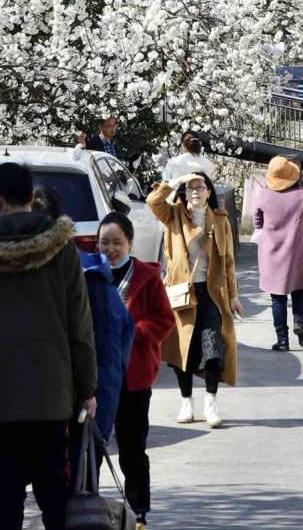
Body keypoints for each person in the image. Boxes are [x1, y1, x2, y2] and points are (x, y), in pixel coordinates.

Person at [0, 163, 97, 530]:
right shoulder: (62, 248)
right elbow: (79, 324)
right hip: (51, 395)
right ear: (31, 197)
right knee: (54, 492)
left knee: (2, 496)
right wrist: (87, 388)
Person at [31, 187, 135, 448]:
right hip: (23, 410)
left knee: (70, 481)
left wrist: (98, 415)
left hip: (70, 409)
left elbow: (109, 351)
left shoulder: (87, 275)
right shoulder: (2, 270)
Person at [97, 211, 175, 529]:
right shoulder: (89, 274)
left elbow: (164, 319)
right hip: (96, 377)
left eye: (117, 242)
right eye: (105, 242)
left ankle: (138, 509)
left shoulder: (146, 277)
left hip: (133, 377)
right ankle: (84, 505)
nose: (111, 248)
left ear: (130, 242)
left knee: (132, 448)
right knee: (89, 447)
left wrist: (135, 331)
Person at [147, 172, 243, 428]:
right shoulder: (174, 215)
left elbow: (229, 262)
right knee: (183, 352)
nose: (195, 191)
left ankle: (210, 406)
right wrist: (176, 182)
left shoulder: (220, 221)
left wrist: (234, 296)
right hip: (182, 294)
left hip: (212, 294)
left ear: (209, 192)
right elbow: (153, 201)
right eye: (190, 188)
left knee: (212, 351)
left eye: (199, 187)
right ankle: (186, 403)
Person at [253, 156, 303, 352]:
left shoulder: (263, 195)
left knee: (277, 297)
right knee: (299, 290)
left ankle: (282, 340)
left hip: (272, 252)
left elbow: (257, 223)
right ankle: (299, 321)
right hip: (298, 250)